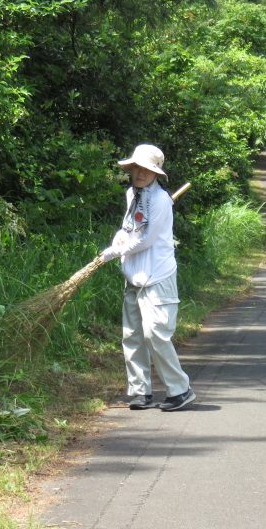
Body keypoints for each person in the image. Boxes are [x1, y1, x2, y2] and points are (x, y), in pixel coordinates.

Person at [100, 144, 195, 412]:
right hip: (133, 275)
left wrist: (115, 252)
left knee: (156, 334)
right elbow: (130, 227)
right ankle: (140, 391)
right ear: (131, 169)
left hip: (157, 276)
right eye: (137, 168)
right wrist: (118, 238)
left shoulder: (161, 200)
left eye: (146, 170)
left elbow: (146, 239)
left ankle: (180, 389)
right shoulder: (132, 194)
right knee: (132, 336)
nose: (140, 174)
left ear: (155, 173)